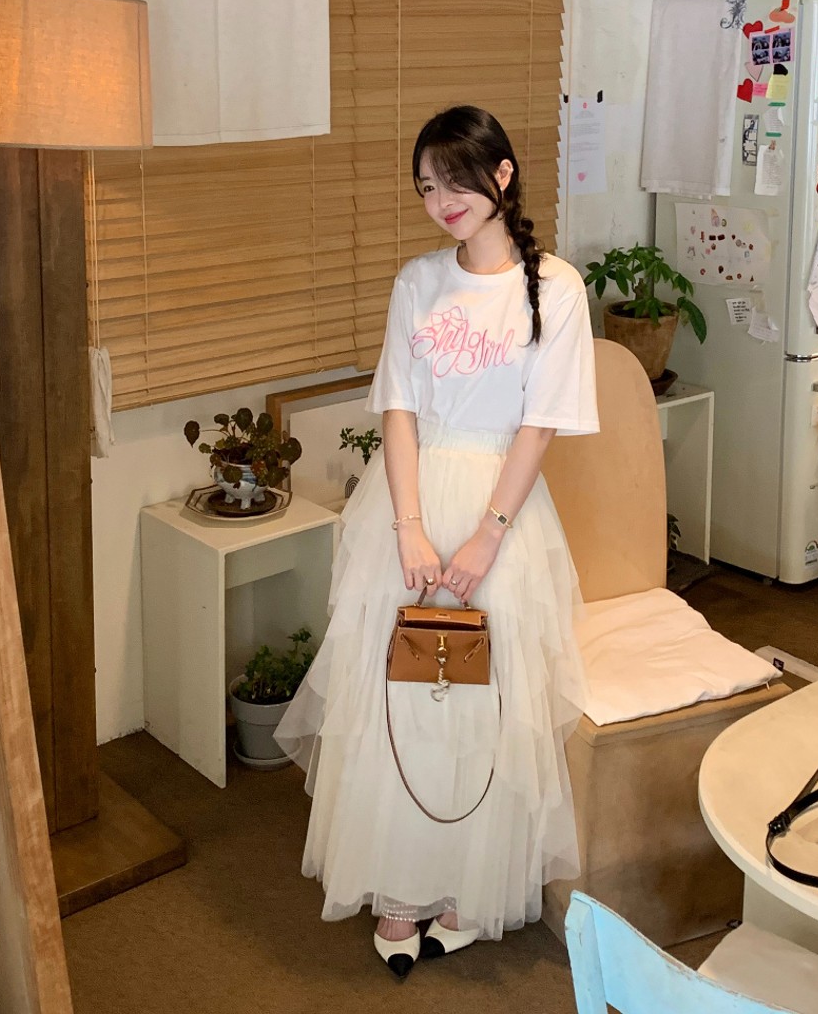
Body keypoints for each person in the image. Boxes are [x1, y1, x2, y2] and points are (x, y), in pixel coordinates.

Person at [275, 105, 599, 979]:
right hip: (409, 504)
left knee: (486, 701)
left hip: (503, 510)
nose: (442, 200)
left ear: (502, 175)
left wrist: (487, 537)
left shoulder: (556, 288)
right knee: (403, 694)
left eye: (456, 179)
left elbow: (539, 425)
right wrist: (409, 528)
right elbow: (398, 407)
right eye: (426, 186)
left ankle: (466, 886)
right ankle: (400, 887)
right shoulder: (417, 281)